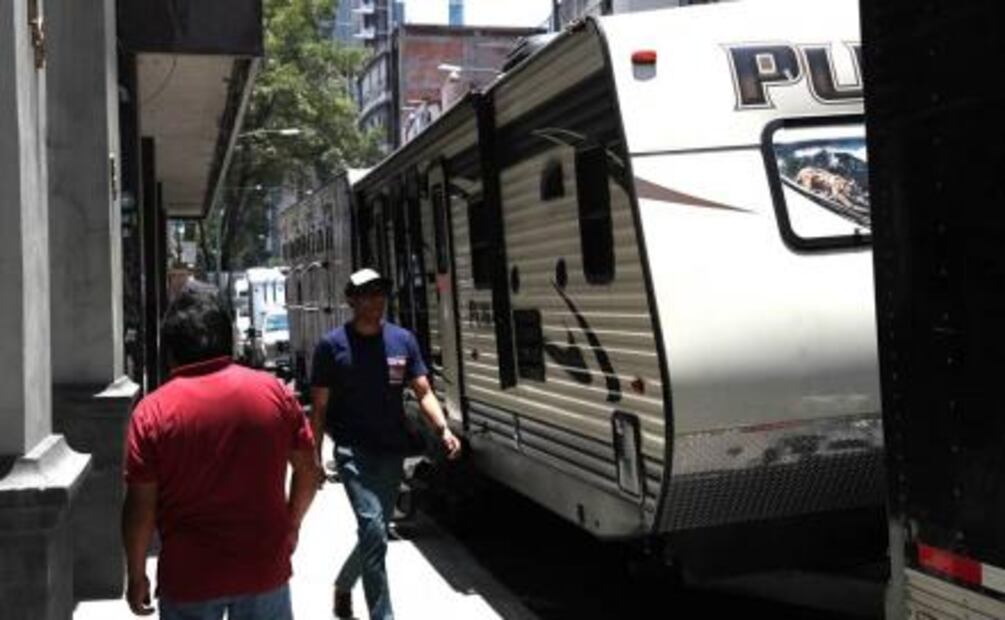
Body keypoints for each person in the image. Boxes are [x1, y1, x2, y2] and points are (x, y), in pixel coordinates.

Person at [121, 284, 321, 619]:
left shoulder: (152, 413)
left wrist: (136, 572)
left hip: (189, 577)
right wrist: (292, 523)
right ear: (228, 340)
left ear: (170, 350)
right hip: (263, 567)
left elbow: (140, 507)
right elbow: (309, 470)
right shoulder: (273, 393)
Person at [310, 268, 462, 620]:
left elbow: (423, 392)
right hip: (352, 452)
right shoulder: (331, 347)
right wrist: (314, 459)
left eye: (380, 292)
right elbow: (318, 410)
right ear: (351, 300)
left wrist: (443, 429)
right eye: (367, 294)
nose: (376, 300)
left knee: (374, 532)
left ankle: (343, 584)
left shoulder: (402, 341)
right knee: (373, 528)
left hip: (391, 451)